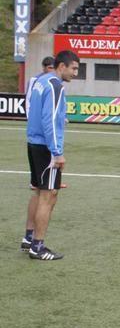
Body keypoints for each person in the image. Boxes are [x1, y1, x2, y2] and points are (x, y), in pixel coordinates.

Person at [23, 50, 79, 260]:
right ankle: (37, 247)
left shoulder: (41, 81)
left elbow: (36, 110)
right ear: (61, 66)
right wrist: (57, 152)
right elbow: (49, 119)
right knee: (49, 195)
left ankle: (29, 238)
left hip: (33, 143)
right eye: (73, 68)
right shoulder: (56, 86)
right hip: (47, 149)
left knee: (38, 192)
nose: (75, 73)